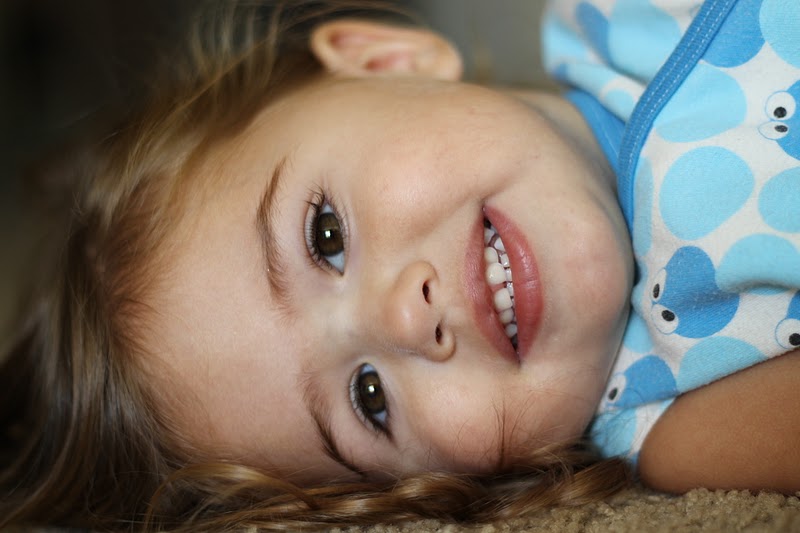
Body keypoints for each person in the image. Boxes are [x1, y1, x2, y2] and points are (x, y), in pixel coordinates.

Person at [0, 0, 796, 530]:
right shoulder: (677, 421)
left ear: (386, 59)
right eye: (368, 397)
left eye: (326, 236)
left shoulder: (628, 14)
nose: (403, 314)